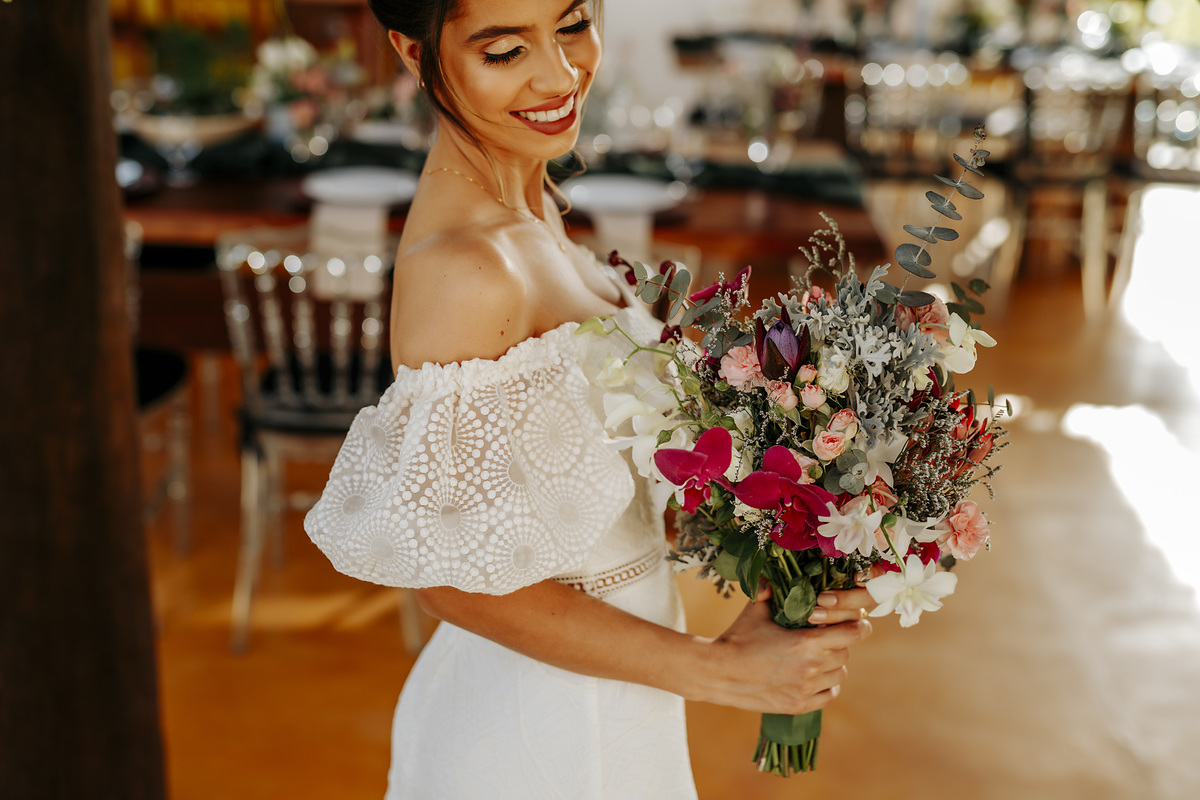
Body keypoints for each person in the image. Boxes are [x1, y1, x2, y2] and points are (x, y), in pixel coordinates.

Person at [304, 1, 875, 796]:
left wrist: (781, 529)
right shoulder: (466, 268)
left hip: (610, 684)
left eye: (572, 24)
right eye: (505, 49)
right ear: (413, 51)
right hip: (539, 728)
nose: (560, 73)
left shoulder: (530, 202)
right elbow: (452, 583)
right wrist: (723, 675)